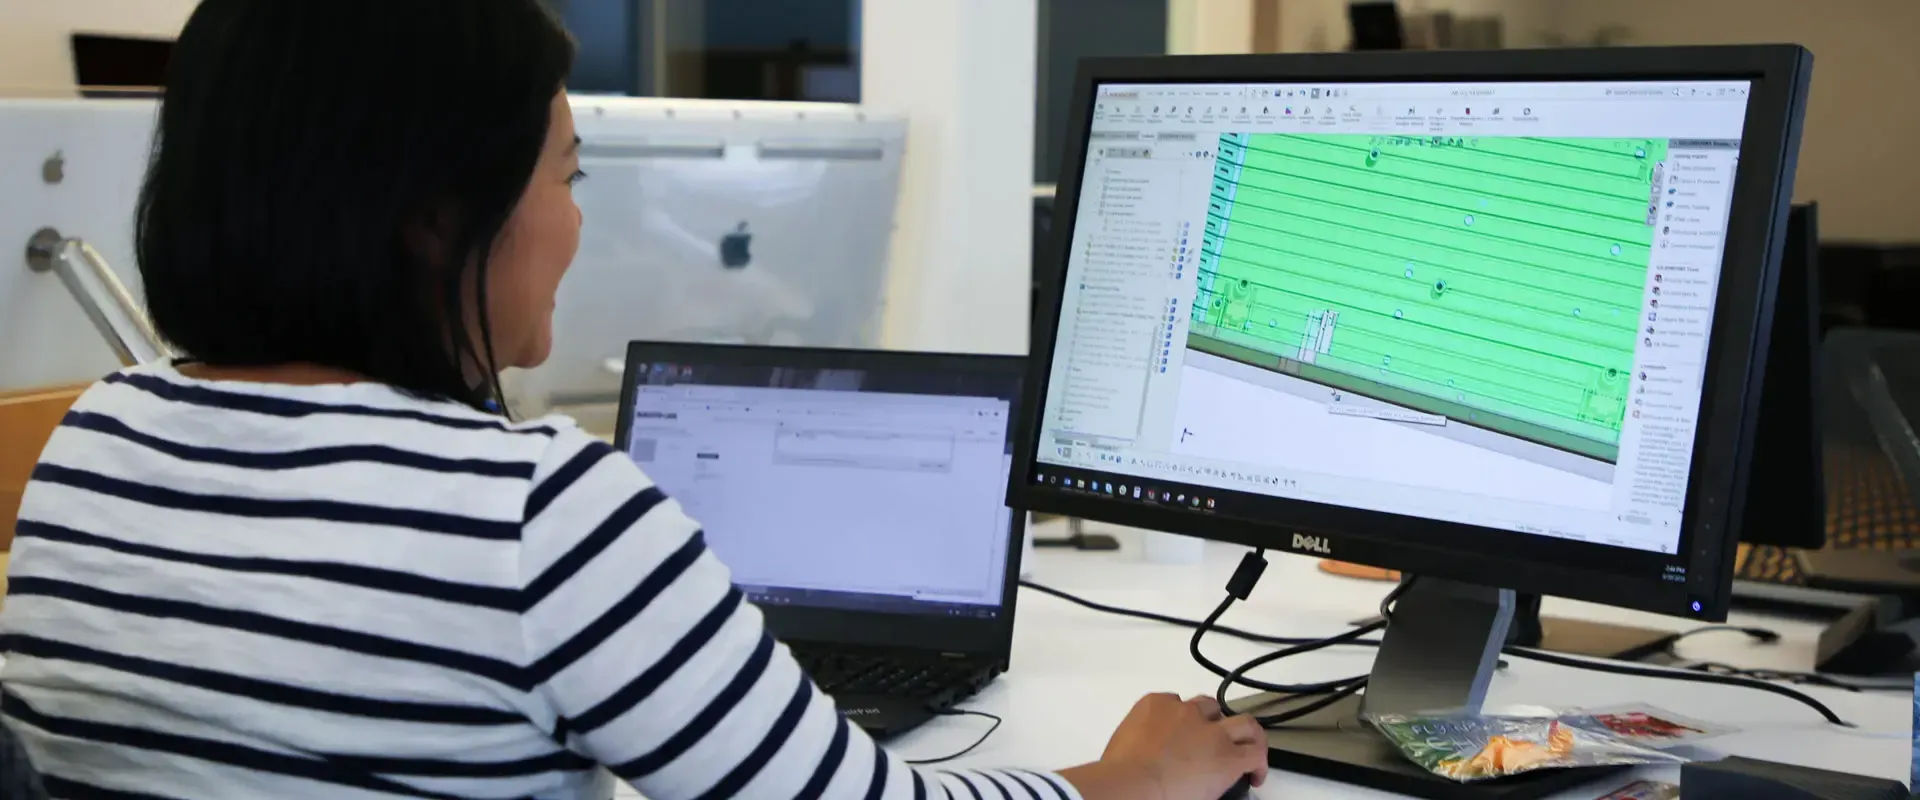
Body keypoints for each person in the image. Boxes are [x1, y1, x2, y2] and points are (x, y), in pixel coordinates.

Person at [0, 2, 1270, 799]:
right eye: (568, 171)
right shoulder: (533, 514)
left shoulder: (97, 437)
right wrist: (1121, 779)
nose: (575, 219)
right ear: (442, 221)